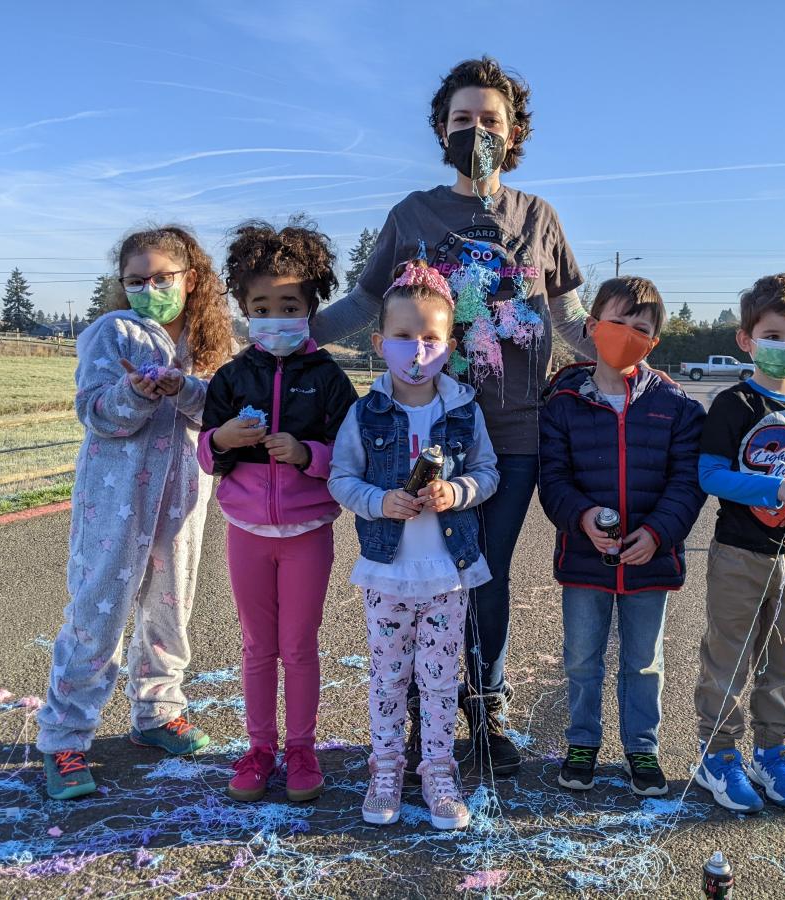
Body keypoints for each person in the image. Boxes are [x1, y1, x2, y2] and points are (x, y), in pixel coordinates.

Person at [312, 56, 594, 777]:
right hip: (422, 428)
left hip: (515, 431)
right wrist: (283, 331)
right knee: (418, 571)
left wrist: (627, 348)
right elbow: (363, 303)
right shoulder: (413, 214)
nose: (477, 131)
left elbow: (568, 317)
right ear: (441, 130)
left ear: (515, 131)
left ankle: (483, 706)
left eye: (490, 120)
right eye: (462, 119)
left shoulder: (539, 218)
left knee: (485, 574)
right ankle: (413, 711)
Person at [36, 225, 233, 800]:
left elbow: (217, 414)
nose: (150, 288)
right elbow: (97, 413)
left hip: (184, 498)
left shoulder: (213, 341)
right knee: (97, 609)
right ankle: (65, 738)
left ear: (190, 278)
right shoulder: (110, 332)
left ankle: (157, 714)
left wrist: (184, 389)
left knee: (171, 605)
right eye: (136, 280)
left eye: (161, 277)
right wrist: (137, 394)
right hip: (114, 499)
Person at [329, 259, 499, 829]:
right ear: (380, 343)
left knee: (440, 676)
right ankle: (385, 768)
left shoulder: (464, 409)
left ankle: (438, 768)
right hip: (387, 570)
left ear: (450, 345)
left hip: (448, 570)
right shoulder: (366, 411)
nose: (417, 350)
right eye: (404, 337)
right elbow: (341, 479)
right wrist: (381, 502)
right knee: (388, 674)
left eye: (430, 338)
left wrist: (458, 491)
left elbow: (488, 472)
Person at [198, 222, 358, 803]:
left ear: (311, 307)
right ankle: (260, 747)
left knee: (299, 648)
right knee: (256, 647)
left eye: (288, 305)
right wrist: (223, 439)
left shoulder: (330, 378)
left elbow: (350, 455)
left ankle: (302, 749)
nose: (274, 317)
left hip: (308, 534)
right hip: (246, 533)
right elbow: (206, 454)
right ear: (243, 308)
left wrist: (306, 454)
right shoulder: (232, 375)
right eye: (260, 306)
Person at [538, 276, 706, 797]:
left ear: (654, 341)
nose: (626, 335)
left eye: (641, 328)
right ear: (592, 326)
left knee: (643, 660)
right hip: (585, 556)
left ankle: (642, 748)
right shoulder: (564, 400)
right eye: (616, 323)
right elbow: (554, 478)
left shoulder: (677, 407)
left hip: (650, 560)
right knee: (582, 658)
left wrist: (658, 533)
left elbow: (686, 483)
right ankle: (583, 742)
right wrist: (582, 517)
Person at [693, 273, 785, 813]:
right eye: (773, 335)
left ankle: (770, 751)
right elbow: (710, 474)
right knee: (728, 657)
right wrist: (771, 487)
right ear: (746, 339)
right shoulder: (733, 404)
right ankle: (718, 755)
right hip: (739, 554)